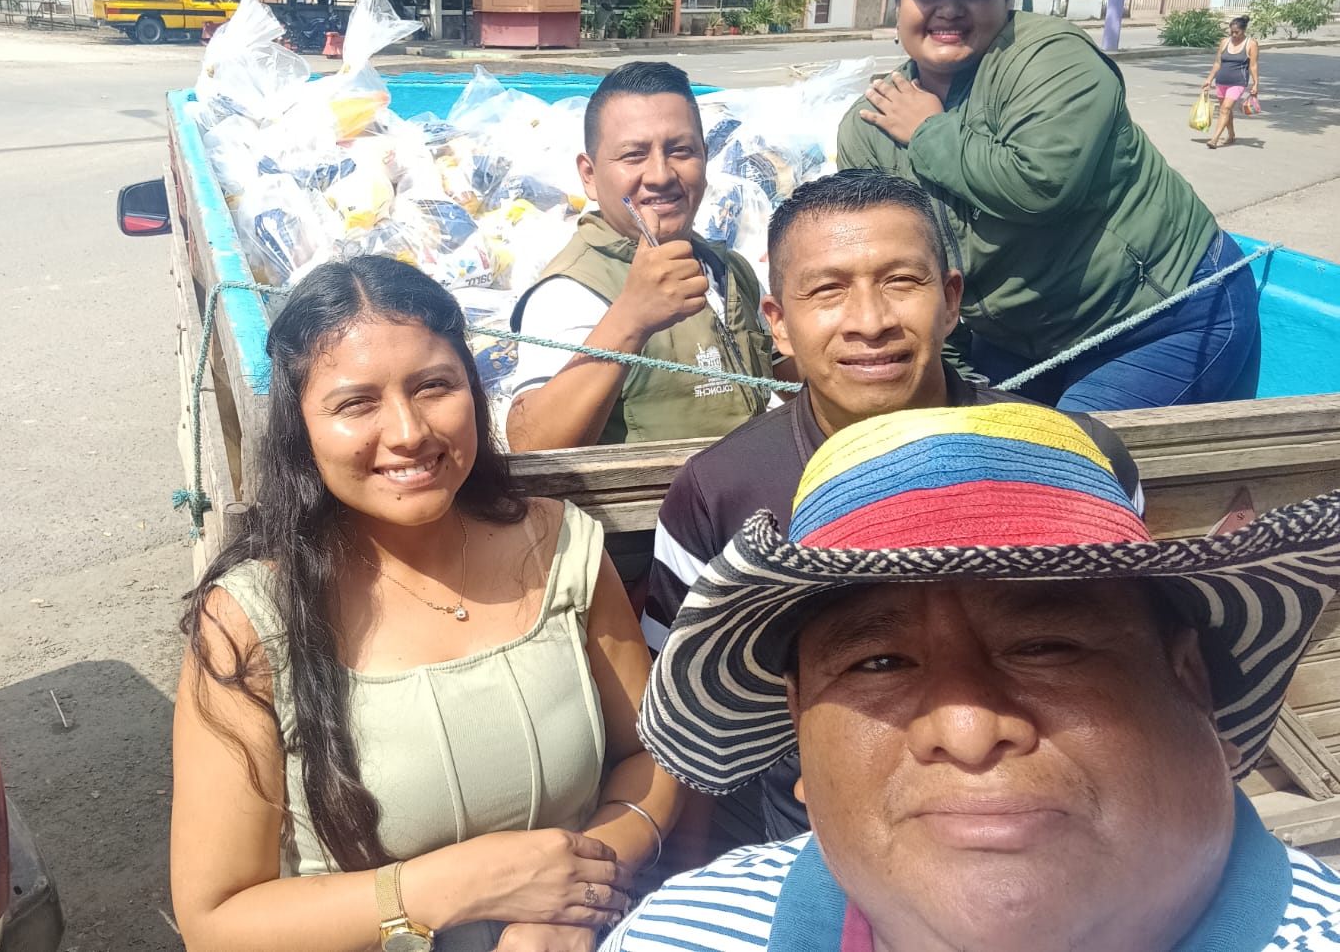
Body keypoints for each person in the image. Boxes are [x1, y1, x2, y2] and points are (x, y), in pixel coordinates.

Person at [609, 402, 1340, 952]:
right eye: (879, 662)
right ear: (799, 728)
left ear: (1191, 681)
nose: (965, 732)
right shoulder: (679, 935)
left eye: (1046, 647)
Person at [170, 256, 682, 952]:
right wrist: (452, 887)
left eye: (433, 386)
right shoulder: (250, 621)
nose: (409, 431)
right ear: (300, 427)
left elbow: (650, 755)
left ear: (472, 387)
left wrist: (569, 902)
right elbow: (215, 920)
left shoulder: (559, 545)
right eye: (356, 403)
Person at [644, 169, 1141, 846]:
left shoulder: (1073, 464)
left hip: (1056, 821)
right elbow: (691, 710)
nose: (871, 322)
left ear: (950, 300)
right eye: (827, 290)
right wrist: (695, 871)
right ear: (778, 323)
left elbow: (1130, 669)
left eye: (901, 281)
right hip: (817, 840)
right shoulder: (720, 492)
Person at [837, 0, 1261, 412]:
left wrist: (929, 131)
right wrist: (947, 373)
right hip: (1023, 339)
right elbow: (896, 264)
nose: (949, 8)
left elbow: (1040, 187)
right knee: (969, 442)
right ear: (899, 0)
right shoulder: (867, 126)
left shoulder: (1052, 57)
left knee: (1066, 454)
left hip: (1160, 312)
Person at [505, 62, 774, 452]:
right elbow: (530, 444)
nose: (660, 175)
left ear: (705, 157)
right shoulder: (571, 292)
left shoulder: (729, 270)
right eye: (633, 155)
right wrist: (631, 318)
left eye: (680, 151)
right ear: (589, 175)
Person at [1202, 15, 1260, 150]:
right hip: (1221, 81)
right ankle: (1231, 134)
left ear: (1243, 31)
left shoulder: (1251, 44)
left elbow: (1253, 65)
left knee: (1225, 109)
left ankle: (1214, 139)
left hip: (1238, 82)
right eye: (1232, 32)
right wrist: (1209, 79)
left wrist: (1256, 83)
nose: (1234, 35)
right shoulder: (1224, 42)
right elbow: (1217, 63)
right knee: (1225, 110)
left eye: (1237, 32)